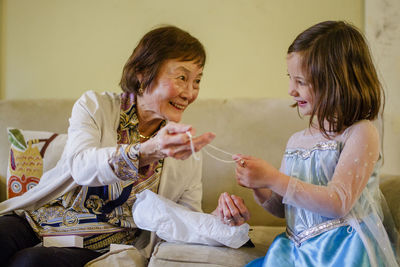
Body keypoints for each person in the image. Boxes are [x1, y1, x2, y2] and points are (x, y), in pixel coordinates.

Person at [0, 25, 250, 267]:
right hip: (39, 220)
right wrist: (146, 151)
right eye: (182, 77)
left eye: (197, 81)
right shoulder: (95, 107)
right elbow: (81, 165)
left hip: (97, 245)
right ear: (142, 72)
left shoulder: (186, 151)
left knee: (30, 262)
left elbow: (180, 220)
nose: (190, 93)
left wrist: (217, 220)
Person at [233, 21, 399, 267]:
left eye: (301, 82)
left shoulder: (361, 133)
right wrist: (260, 184)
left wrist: (274, 178)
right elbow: (283, 208)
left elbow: (338, 202)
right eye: (290, 79)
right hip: (296, 249)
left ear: (336, 82)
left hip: (342, 250)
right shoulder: (297, 140)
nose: (291, 90)